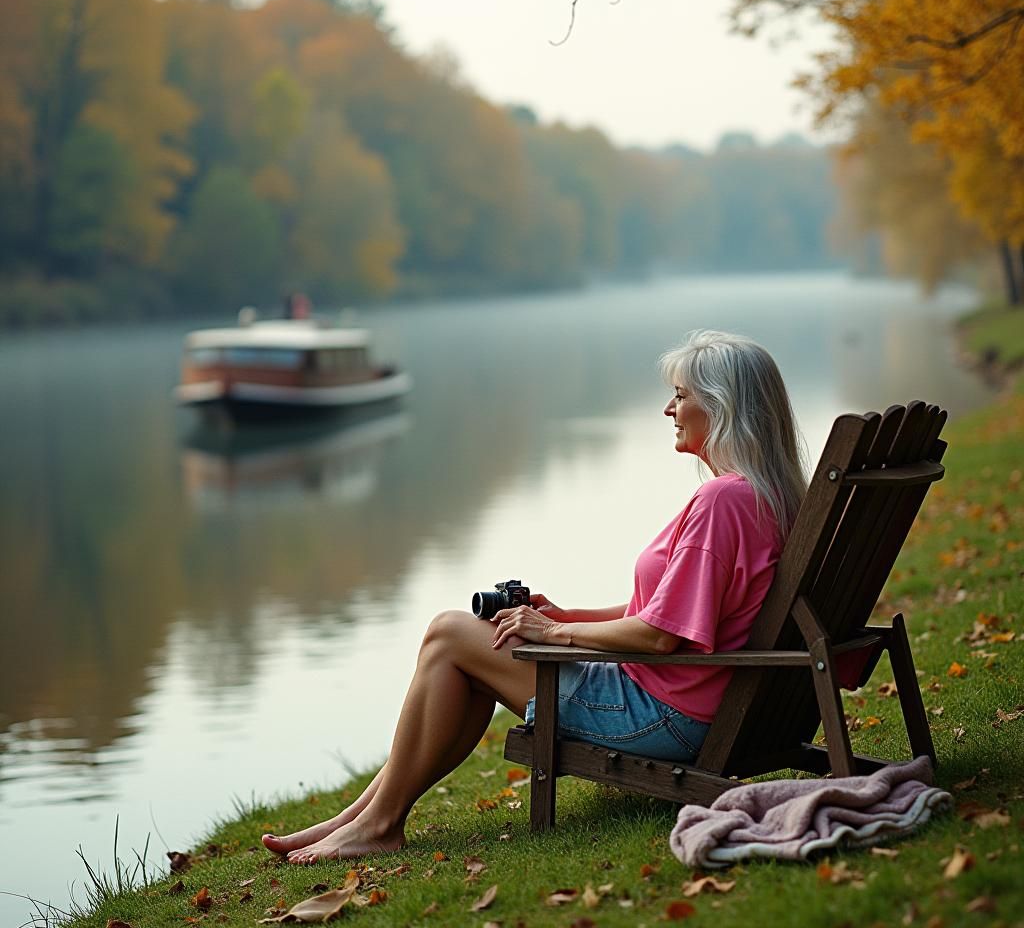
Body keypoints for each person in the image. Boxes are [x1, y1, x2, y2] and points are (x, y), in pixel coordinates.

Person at [262, 330, 807, 864]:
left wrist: (555, 634)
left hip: (667, 715)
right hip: (702, 699)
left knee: (450, 633)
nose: (669, 409)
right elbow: (672, 610)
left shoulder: (722, 502)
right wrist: (568, 615)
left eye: (682, 395)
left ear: (721, 406)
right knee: (464, 653)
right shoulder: (767, 497)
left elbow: (660, 636)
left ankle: (377, 823)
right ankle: (363, 817)